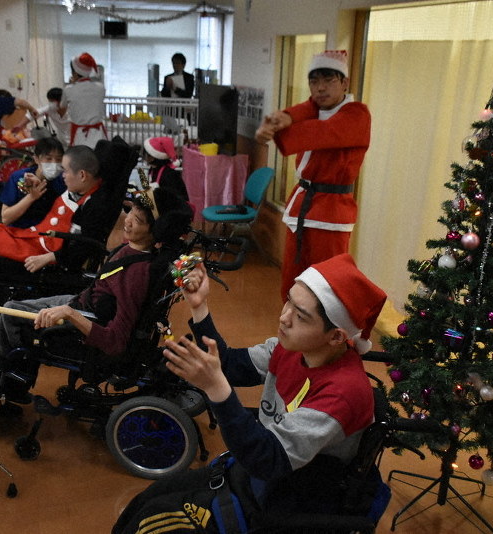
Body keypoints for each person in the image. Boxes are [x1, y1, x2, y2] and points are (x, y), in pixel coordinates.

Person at [113, 253, 387, 532]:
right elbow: (231, 365)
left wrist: (216, 387)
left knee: (151, 523)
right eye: (289, 301)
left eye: (301, 316)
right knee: (146, 501)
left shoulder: (343, 393)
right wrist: (199, 307)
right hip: (259, 469)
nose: (284, 317)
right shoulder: (290, 349)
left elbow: (269, 460)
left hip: (287, 491)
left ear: (337, 337)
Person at [0, 187, 193, 404]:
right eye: (130, 213)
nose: (127, 221)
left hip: (83, 319)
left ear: (155, 231)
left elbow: (116, 341)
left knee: (10, 314)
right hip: (83, 303)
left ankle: (2, 391)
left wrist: (70, 313)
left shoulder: (136, 274)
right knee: (14, 306)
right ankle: (13, 383)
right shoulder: (134, 251)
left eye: (137, 220)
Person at [0, 145, 113, 315]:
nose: (63, 176)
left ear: (82, 175)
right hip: (41, 237)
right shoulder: (81, 189)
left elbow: (83, 246)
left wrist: (50, 257)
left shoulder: (95, 206)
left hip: (49, 251)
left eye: (65, 171)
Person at [255, 50, 371, 302]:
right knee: (292, 279)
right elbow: (306, 108)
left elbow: (321, 133)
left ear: (344, 82)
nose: (320, 88)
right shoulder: (315, 109)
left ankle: (327, 338)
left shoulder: (356, 114)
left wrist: (275, 127)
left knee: (325, 284)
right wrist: (283, 117)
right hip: (302, 204)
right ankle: (290, 333)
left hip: (331, 210)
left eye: (329, 80)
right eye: (314, 81)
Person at [0, 136, 66, 228]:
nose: (54, 163)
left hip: (50, 232)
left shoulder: (64, 180)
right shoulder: (19, 178)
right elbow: (5, 218)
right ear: (36, 159)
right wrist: (31, 197)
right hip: (20, 232)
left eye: (58, 159)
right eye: (48, 159)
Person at [60, 53, 108, 148]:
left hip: (79, 135)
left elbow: (62, 108)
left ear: (74, 73)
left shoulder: (69, 89)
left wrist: (72, 84)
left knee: (80, 160)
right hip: (99, 134)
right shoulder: (101, 88)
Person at [143, 136, 189, 201]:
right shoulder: (153, 169)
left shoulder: (169, 174)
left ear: (153, 157)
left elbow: (173, 199)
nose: (144, 157)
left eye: (146, 154)